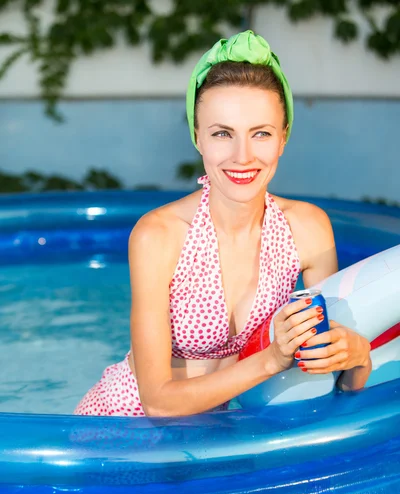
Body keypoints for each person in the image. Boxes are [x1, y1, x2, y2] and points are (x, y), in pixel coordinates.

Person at [74, 30, 372, 418]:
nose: (242, 156)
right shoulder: (160, 235)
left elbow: (329, 378)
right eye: (222, 134)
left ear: (283, 138)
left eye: (261, 133)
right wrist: (271, 359)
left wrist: (359, 357)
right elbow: (158, 402)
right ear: (198, 138)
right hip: (123, 432)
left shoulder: (307, 228)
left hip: (218, 439)